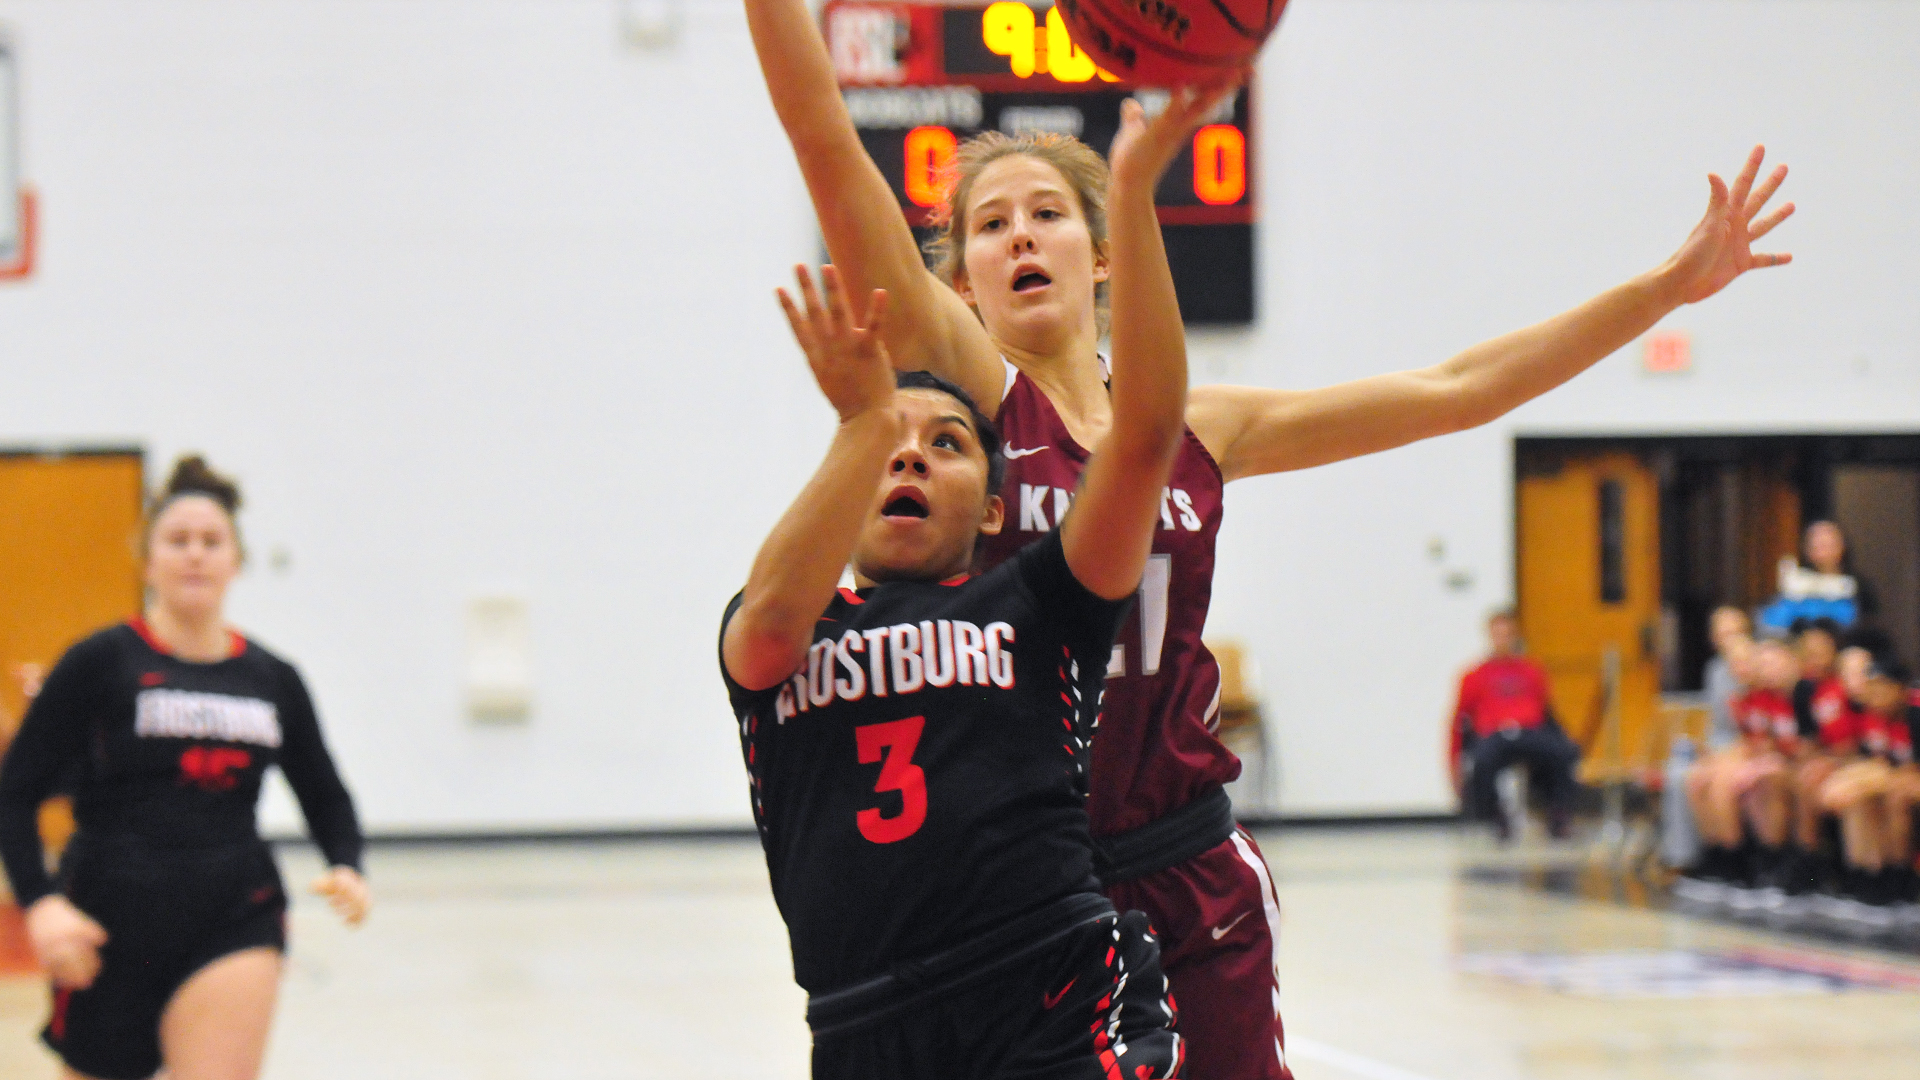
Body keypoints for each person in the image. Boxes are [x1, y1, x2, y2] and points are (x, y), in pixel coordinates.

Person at [741, 2, 1795, 1069]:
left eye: (1048, 214)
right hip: (1028, 882)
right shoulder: (977, 405)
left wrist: (1662, 291)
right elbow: (824, 134)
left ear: (1103, 258)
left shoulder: (1199, 425)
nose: (1021, 235)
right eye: (991, 224)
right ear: (957, 282)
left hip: (1186, 851)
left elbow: (1457, 390)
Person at [719, 81, 1212, 1078]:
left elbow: (1149, 434)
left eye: (947, 443)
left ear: (995, 506)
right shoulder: (789, 628)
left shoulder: (1038, 602)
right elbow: (768, 622)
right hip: (868, 1018)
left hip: (1052, 991)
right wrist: (863, 423)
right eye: (886, 449)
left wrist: (1134, 186)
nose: (909, 458)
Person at [0, 456, 370, 1080]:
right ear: (147, 562)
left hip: (233, 910)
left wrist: (345, 863)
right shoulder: (101, 661)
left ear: (236, 561)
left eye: (211, 542)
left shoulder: (272, 678)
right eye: (177, 541)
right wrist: (39, 903)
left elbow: (323, 790)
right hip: (106, 923)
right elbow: (16, 790)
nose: (195, 554)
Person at [1448, 609, 1581, 842]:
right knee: (1483, 760)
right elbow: (1459, 720)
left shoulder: (1532, 670)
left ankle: (1558, 813)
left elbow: (1546, 711)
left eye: (1508, 634)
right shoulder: (1474, 675)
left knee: (1561, 753)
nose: (1503, 640)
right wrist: (1453, 763)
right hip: (1493, 734)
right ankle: (1496, 815)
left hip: (1530, 731)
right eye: (1498, 634)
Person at [1683, 639, 1800, 887]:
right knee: (1701, 777)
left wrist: (1754, 762)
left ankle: (1757, 864)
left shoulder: (1800, 695)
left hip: (1796, 765)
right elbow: (1753, 742)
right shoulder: (1752, 698)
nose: (1767, 669)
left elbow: (1797, 746)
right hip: (1769, 760)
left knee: (1744, 782)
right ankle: (1721, 856)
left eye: (1773, 663)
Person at [1817, 656, 1920, 910]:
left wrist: (1857, 784)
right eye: (1871, 687)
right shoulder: (1875, 716)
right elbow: (1876, 762)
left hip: (1909, 781)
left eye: (1881, 687)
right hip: (1900, 779)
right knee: (1861, 801)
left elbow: (1908, 771)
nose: (1874, 694)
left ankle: (1901, 881)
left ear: (1900, 689)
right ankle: (1866, 876)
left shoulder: (1914, 713)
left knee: (1894, 796)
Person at [1782, 619, 1855, 890]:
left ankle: (1822, 865)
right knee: (1801, 777)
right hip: (1828, 759)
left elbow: (1856, 742)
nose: (1813, 657)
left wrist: (1828, 761)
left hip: (1853, 759)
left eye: (1820, 650)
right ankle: (1807, 861)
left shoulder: (1847, 685)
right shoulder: (1805, 689)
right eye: (1807, 651)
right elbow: (1809, 740)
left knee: (1812, 779)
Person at [1759, 521, 1875, 635]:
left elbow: (1863, 624)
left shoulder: (1857, 586)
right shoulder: (1797, 583)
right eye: (1816, 544)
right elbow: (1774, 621)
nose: (1822, 550)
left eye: (1828, 544)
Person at [1702, 606, 1753, 751]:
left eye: (1736, 633)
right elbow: (1717, 722)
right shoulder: (1715, 670)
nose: (1730, 641)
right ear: (1714, 638)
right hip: (1722, 743)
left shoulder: (1761, 669)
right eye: (1724, 635)